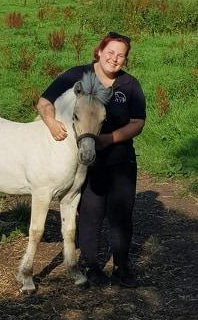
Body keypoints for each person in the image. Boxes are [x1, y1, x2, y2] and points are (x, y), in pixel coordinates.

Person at [36, 31, 146, 288]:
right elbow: (44, 101)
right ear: (99, 51)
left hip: (120, 159)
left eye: (121, 55)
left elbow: (138, 123)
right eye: (110, 52)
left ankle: (121, 266)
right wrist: (51, 123)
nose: (115, 59)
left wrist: (109, 140)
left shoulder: (129, 85)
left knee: (121, 213)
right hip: (87, 161)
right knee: (90, 212)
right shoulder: (77, 76)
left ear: (125, 60)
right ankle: (91, 265)